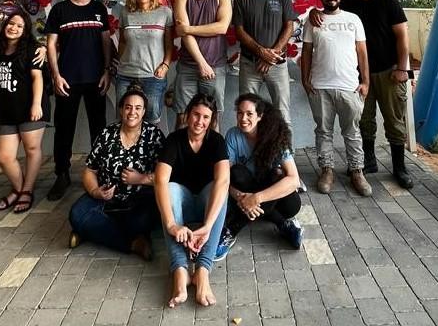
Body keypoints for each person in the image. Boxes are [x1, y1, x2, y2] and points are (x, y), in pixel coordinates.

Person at [310, 0, 413, 188]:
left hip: (389, 72)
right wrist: (312, 12)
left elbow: (402, 37)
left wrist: (402, 68)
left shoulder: (388, 2)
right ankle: (368, 162)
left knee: (394, 121)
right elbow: (328, 8)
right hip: (357, 78)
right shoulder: (347, 2)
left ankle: (400, 168)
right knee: (363, 121)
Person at [68, 87, 164, 259]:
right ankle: (133, 243)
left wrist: (141, 179)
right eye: (128, 107)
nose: (132, 112)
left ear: (143, 112)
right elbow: (90, 171)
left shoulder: (154, 136)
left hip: (139, 200)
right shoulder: (106, 134)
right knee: (77, 214)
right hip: (106, 199)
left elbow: (165, 176)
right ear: (121, 109)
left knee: (145, 219)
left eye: (137, 108)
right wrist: (96, 191)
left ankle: (90, 231)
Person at [154, 94, 229, 308]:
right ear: (188, 115)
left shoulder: (216, 141)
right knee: (169, 188)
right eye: (196, 114)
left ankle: (202, 272)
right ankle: (180, 271)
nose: (200, 121)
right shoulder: (174, 140)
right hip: (183, 205)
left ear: (211, 120)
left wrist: (206, 227)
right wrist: (171, 224)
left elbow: (223, 181)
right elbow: (160, 180)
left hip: (207, 206)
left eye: (206, 117)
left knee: (219, 188)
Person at [45, 0, 112, 201]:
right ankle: (62, 174)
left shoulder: (99, 9)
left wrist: (107, 71)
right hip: (67, 80)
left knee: (99, 129)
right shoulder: (59, 10)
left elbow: (106, 42)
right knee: (64, 129)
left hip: (96, 79)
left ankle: (101, 171)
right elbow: (51, 45)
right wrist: (55, 75)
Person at [302, 0, 371, 196]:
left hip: (349, 86)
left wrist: (366, 81)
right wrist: (305, 79)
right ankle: (327, 170)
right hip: (320, 86)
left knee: (352, 132)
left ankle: (357, 171)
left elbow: (362, 53)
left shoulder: (353, 20)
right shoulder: (313, 21)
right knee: (323, 132)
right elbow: (306, 53)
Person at [214, 94, 302, 261]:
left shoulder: (275, 137)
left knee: (279, 180)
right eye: (239, 113)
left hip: (271, 192)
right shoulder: (233, 135)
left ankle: (232, 229)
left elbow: (294, 179)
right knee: (237, 172)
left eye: (249, 114)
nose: (243, 118)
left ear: (260, 116)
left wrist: (256, 198)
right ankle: (283, 224)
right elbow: (224, 177)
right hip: (244, 190)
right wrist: (240, 197)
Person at [0, 12, 50, 214]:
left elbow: (37, 78)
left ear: (25, 30)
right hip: (8, 110)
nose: (14, 28)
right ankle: (18, 188)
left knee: (31, 149)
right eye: (11, 23)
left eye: (20, 26)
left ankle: (27, 190)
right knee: (4, 157)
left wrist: (36, 105)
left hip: (30, 107)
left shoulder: (33, 49)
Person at [232, 0, 296, 128]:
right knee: (247, 114)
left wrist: (271, 56)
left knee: (282, 114)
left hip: (277, 64)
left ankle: (284, 155)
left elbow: (289, 26)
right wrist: (261, 52)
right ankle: (251, 155)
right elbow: (239, 30)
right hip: (249, 64)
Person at [173, 0, 231, 128]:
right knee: (183, 118)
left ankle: (214, 157)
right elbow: (184, 35)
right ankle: (181, 156)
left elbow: (222, 27)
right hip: (188, 67)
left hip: (216, 67)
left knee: (212, 119)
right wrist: (202, 63)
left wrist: (189, 28)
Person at [117, 0, 174, 127]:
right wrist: (118, 63)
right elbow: (122, 42)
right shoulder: (125, 13)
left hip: (153, 76)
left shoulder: (165, 13)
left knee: (151, 121)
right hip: (125, 75)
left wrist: (166, 66)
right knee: (125, 120)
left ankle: (150, 152)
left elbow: (169, 45)